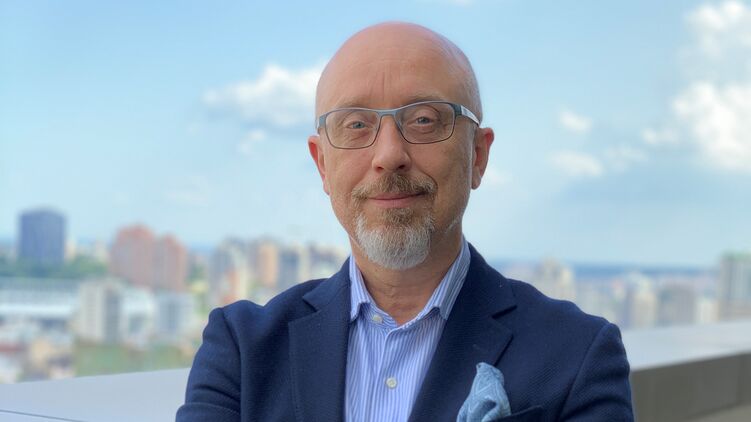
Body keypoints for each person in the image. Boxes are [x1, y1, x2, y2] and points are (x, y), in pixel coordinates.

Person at [177, 22, 633, 422]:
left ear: (477, 155)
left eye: (424, 120)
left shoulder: (577, 354)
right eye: (356, 125)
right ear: (322, 165)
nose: (389, 155)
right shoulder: (242, 351)